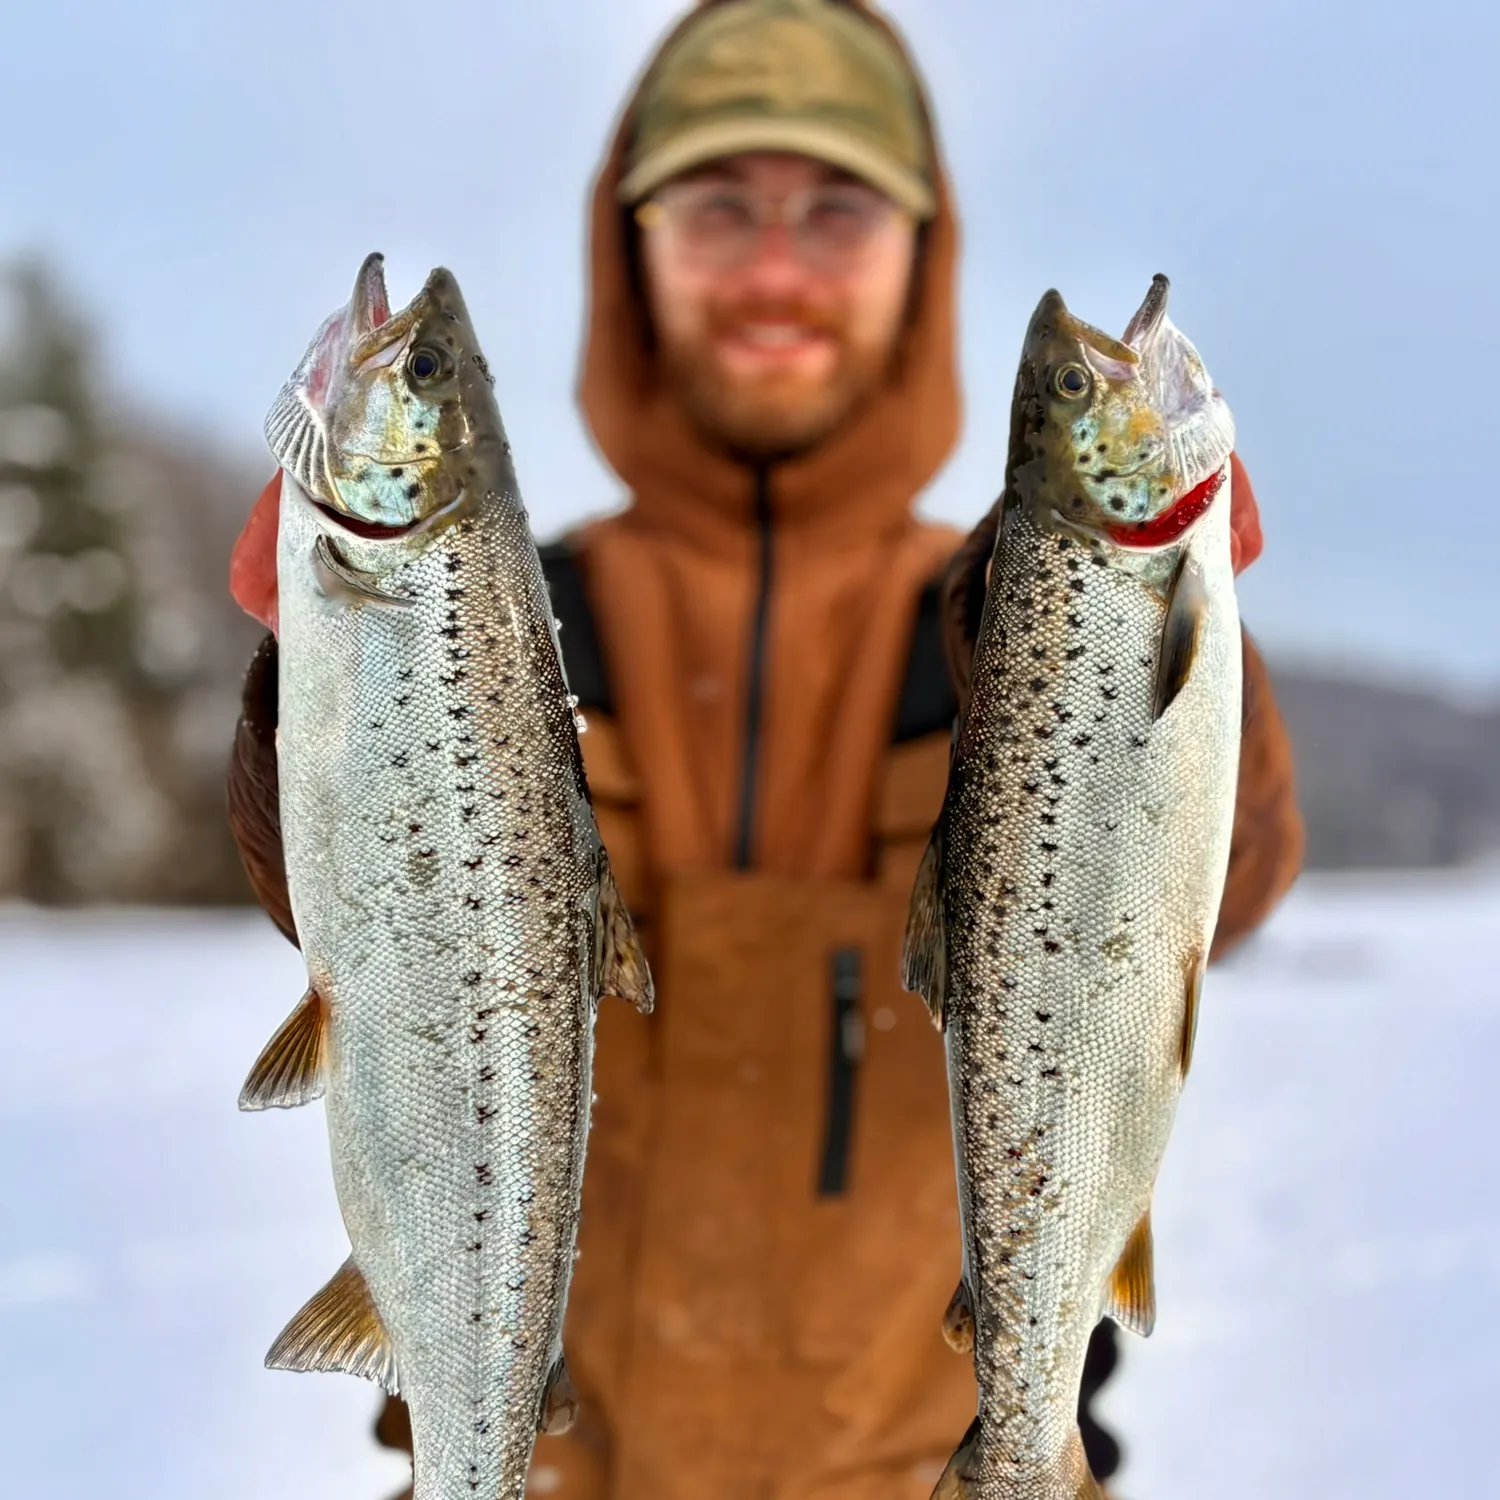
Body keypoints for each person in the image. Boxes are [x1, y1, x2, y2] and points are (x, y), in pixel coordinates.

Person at [226, 2, 1304, 1497]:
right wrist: (305, 681)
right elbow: (341, 910)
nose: (779, 265)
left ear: (923, 253)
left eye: (838, 209)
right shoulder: (523, 620)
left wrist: (1166, 658)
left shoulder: (998, 623)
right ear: (633, 247)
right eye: (720, 206)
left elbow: (1216, 896)